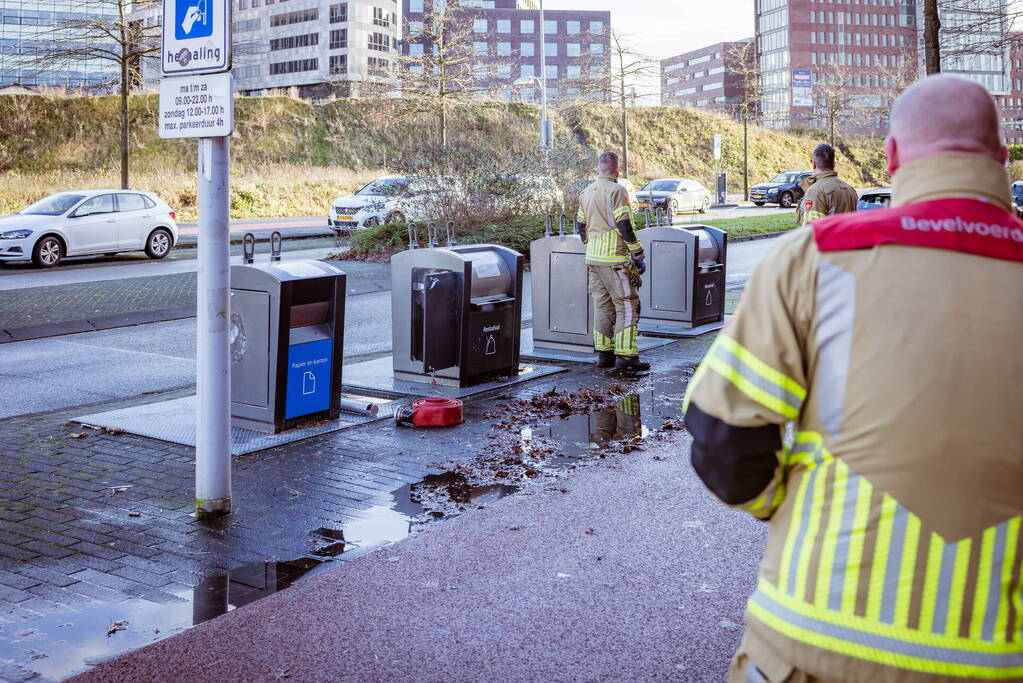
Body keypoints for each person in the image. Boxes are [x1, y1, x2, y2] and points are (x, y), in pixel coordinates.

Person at [684, 74, 1023, 682]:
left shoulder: (813, 258)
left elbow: (721, 435)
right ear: (1001, 159)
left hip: (811, 637)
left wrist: (777, 506)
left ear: (892, 157)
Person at [575, 152, 649, 372]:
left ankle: (604, 355)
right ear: (617, 169)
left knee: (602, 306)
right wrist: (638, 254)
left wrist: (590, 246)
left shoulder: (585, 192)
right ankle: (627, 357)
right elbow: (624, 225)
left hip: (593, 259)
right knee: (627, 304)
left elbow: (580, 226)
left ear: (599, 168)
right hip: (615, 259)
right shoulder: (617, 190)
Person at [796, 143, 858, 226]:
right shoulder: (850, 189)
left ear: (814, 164)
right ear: (833, 165)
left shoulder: (815, 190)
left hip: (827, 239)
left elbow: (812, 229)